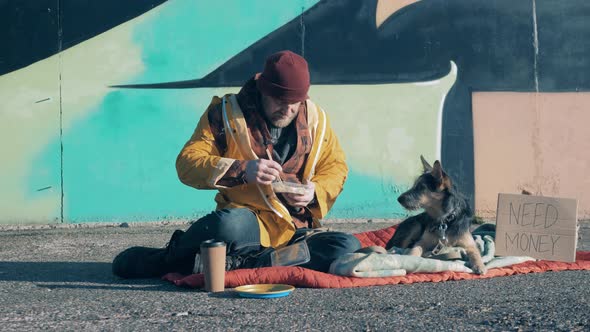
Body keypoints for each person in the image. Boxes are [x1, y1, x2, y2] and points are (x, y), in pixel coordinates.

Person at [112, 50, 360, 278]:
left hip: (294, 233)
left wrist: (314, 191)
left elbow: (336, 167)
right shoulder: (225, 113)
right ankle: (165, 260)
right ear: (263, 89)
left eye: (293, 104)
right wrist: (243, 169)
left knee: (345, 246)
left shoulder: (317, 119)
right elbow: (187, 163)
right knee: (227, 224)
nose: (286, 110)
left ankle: (237, 265)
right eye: (278, 100)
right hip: (245, 228)